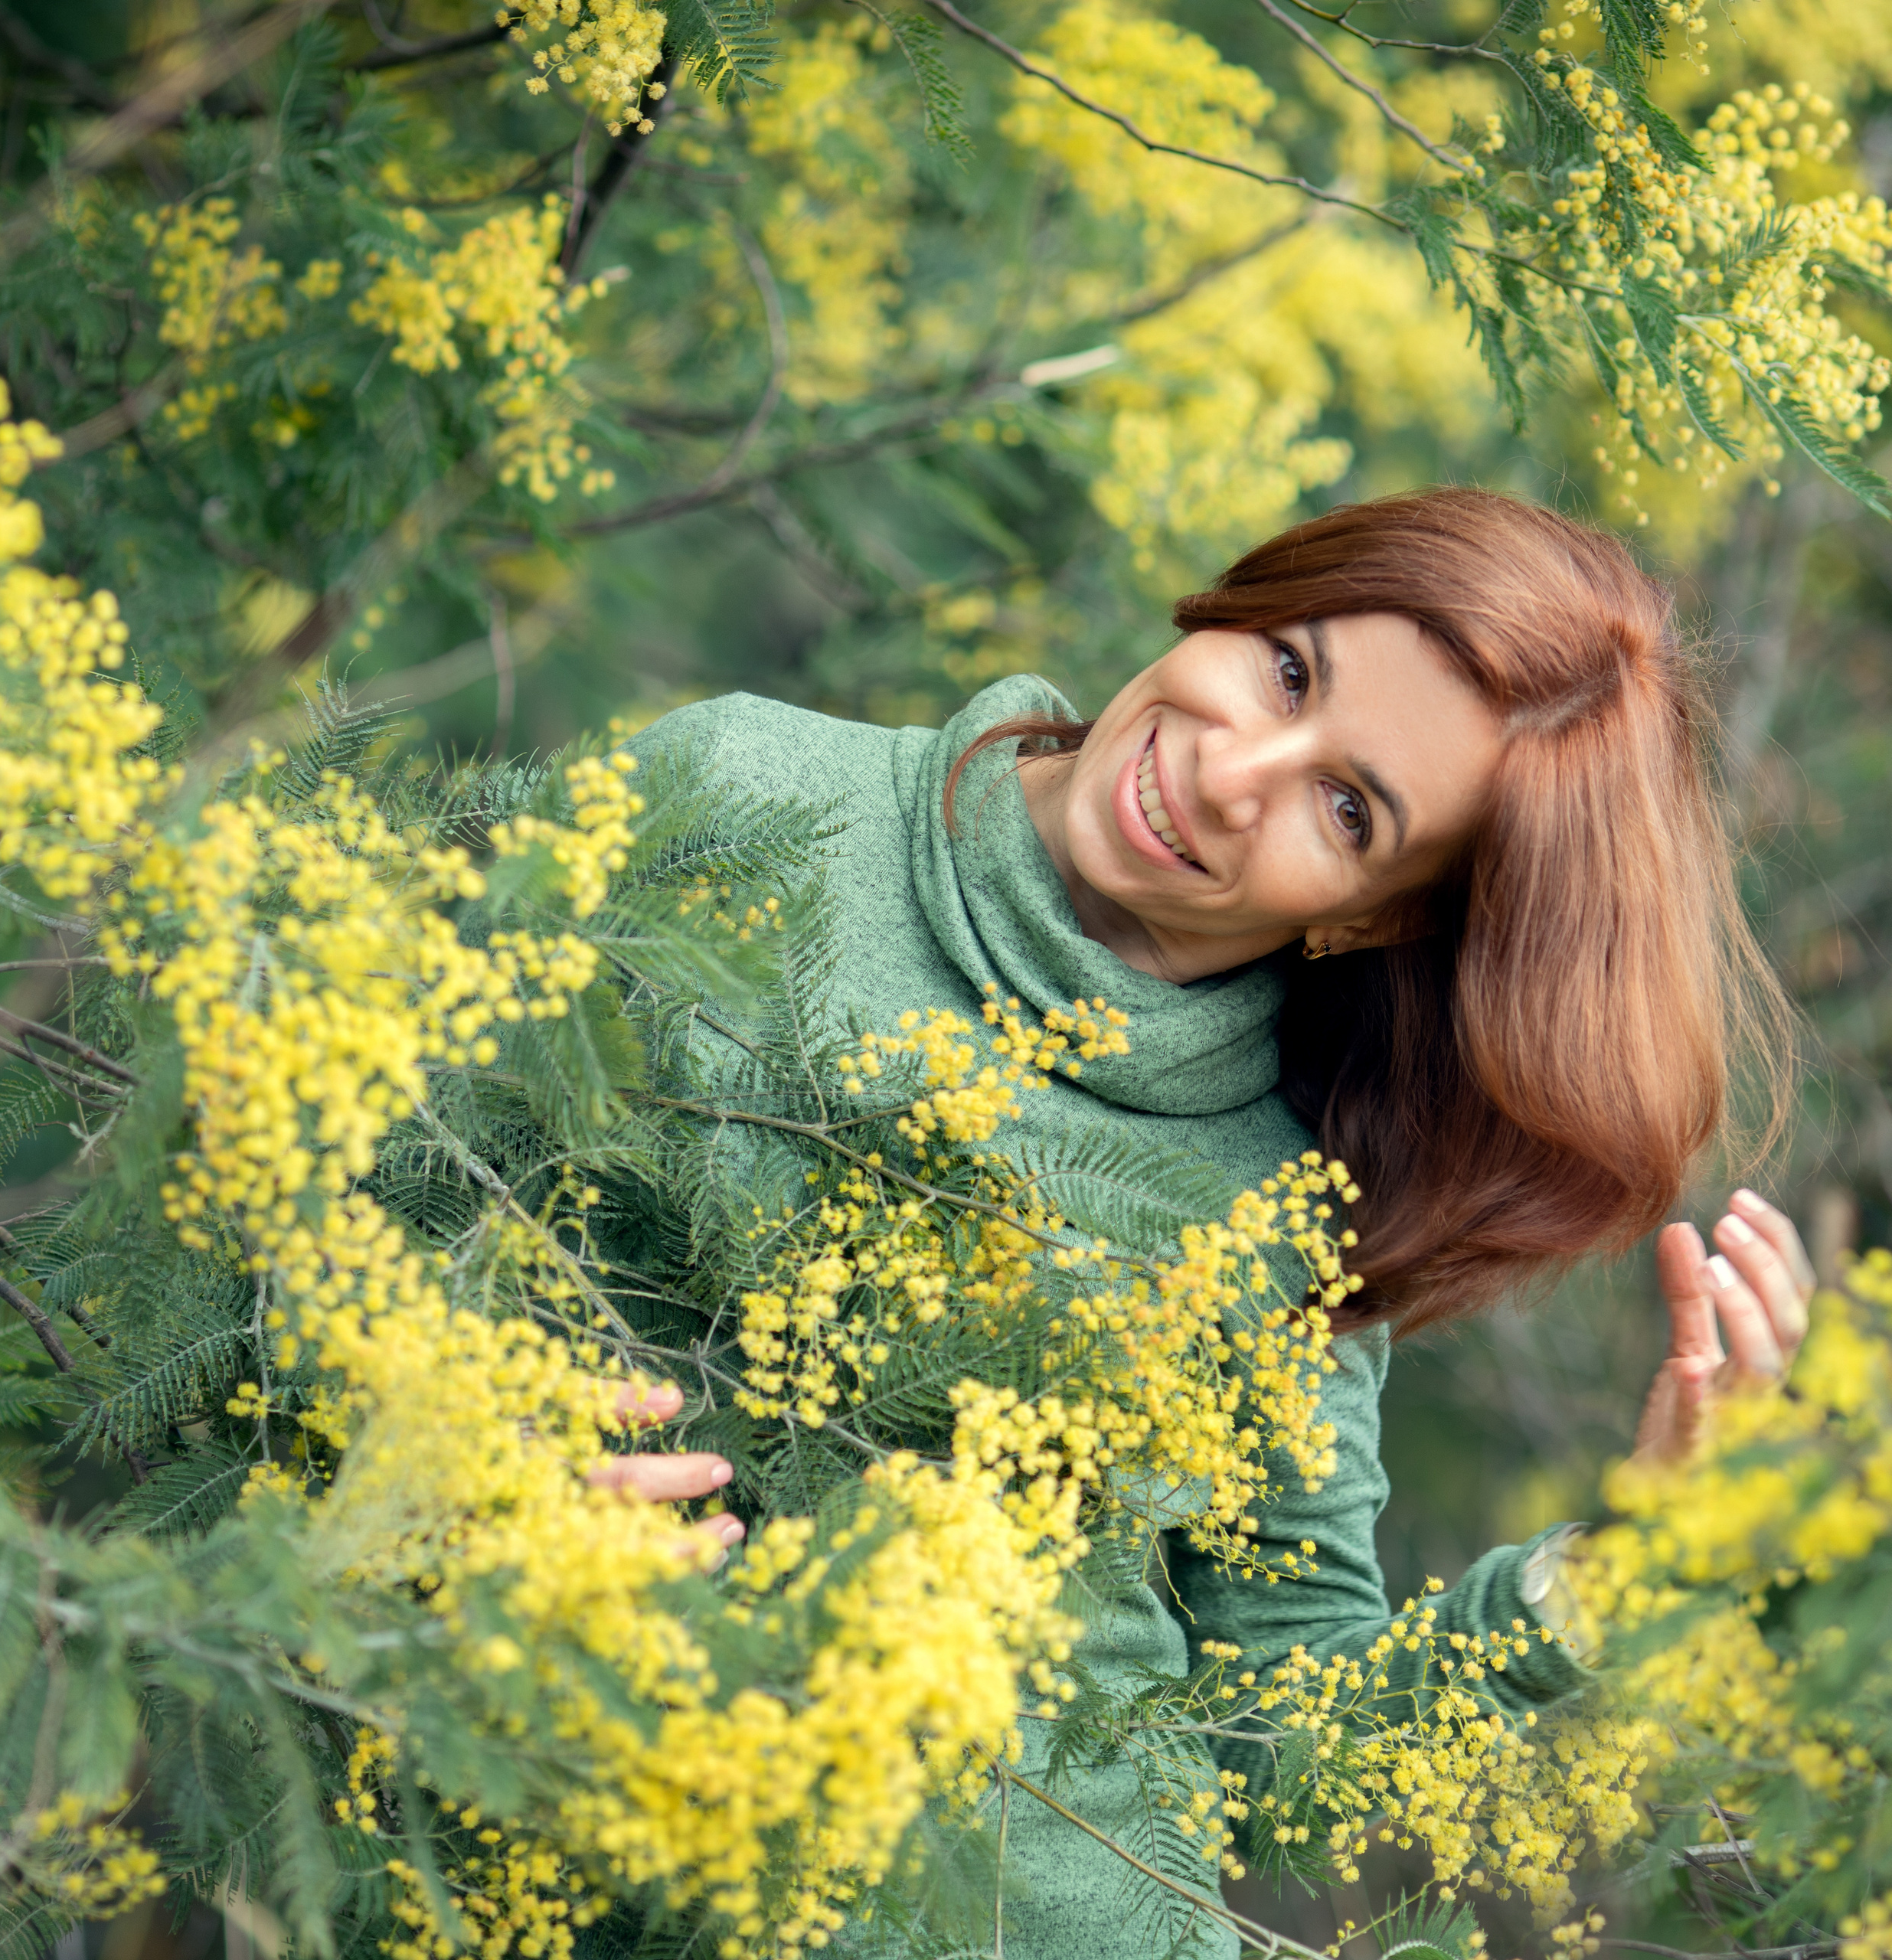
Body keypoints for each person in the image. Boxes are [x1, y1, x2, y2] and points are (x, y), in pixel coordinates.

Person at [593, 487, 1815, 1957]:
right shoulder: (733, 784)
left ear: (1379, 916)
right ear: (1240, 599)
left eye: (1349, 811)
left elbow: (1281, 1755)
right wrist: (468, 1449)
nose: (1234, 772)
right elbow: (377, 1185)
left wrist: (1618, 1571)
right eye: (1288, 671)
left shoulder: (1281, 1221)